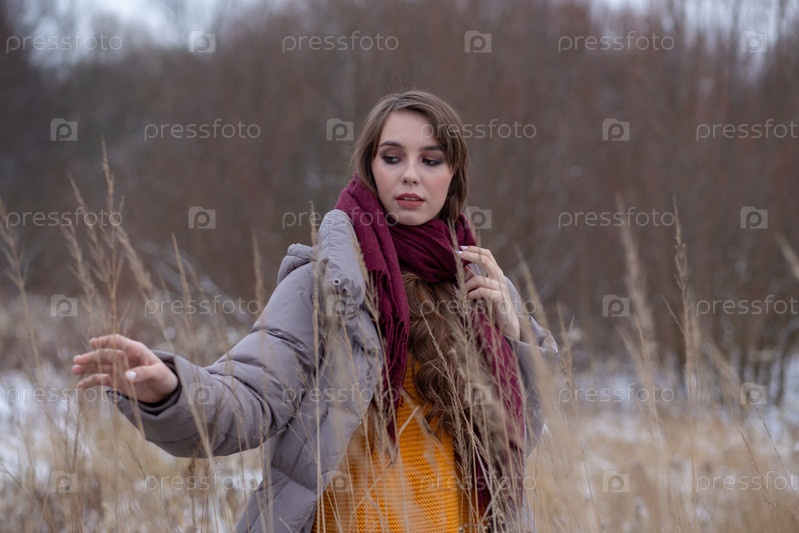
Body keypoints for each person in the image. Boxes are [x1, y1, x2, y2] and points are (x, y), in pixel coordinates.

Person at [72, 89, 558, 532]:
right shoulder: (326, 285)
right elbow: (250, 397)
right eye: (393, 157)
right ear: (370, 169)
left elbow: (518, 438)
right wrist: (171, 390)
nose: (410, 173)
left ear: (453, 177)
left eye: (431, 160)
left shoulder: (478, 288)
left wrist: (515, 335)